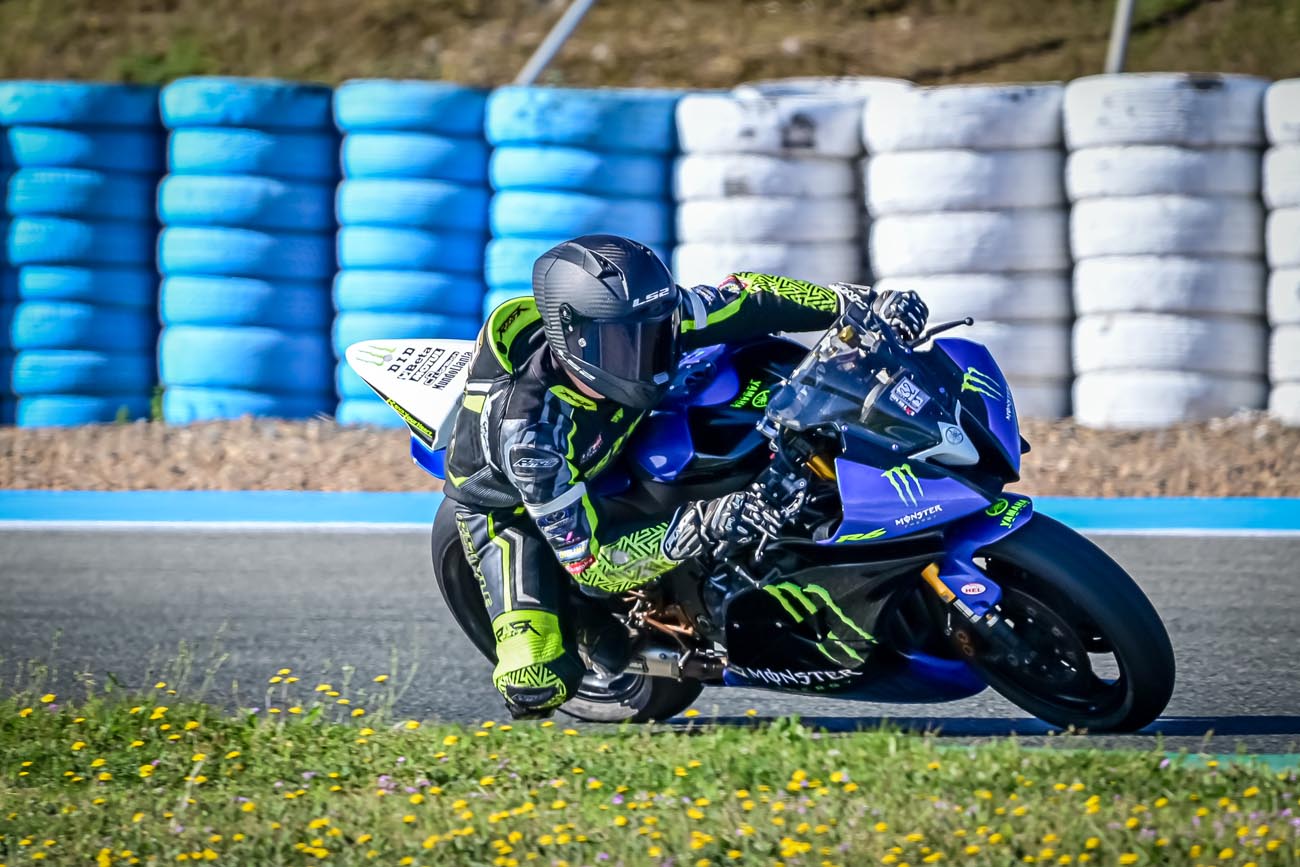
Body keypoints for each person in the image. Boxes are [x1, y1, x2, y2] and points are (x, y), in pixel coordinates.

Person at [442, 234, 928, 718]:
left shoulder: (655, 317)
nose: (649, 355)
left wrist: (861, 305)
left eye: (656, 333)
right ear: (576, 340)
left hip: (614, 433)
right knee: (537, 675)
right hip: (510, 510)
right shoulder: (531, 437)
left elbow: (748, 296)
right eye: (626, 344)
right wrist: (708, 521)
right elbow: (594, 564)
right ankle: (584, 626)